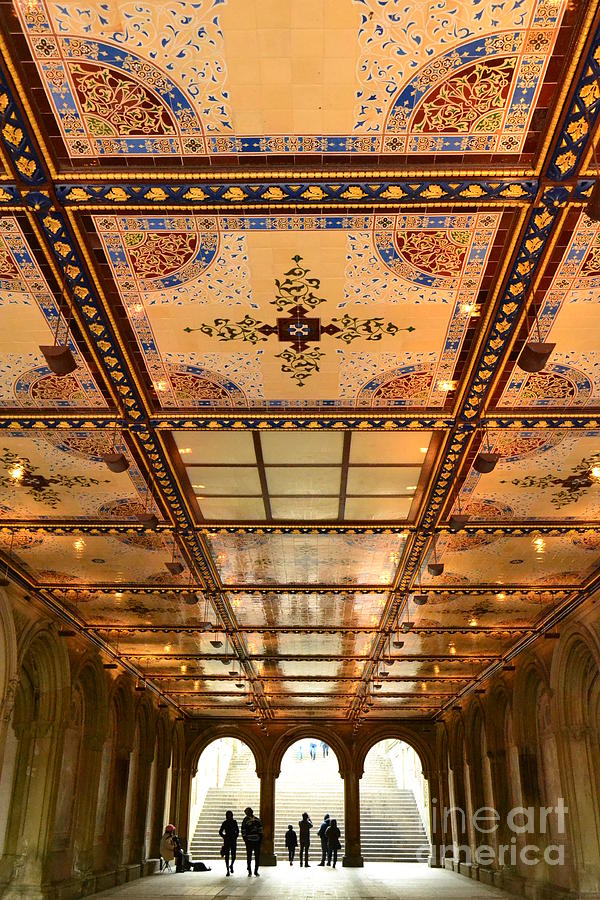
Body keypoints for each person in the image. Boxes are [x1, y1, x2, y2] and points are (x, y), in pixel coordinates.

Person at [241, 806, 263, 877]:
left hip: (251, 841)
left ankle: (252, 871)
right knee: (255, 856)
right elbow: (260, 831)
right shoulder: (257, 820)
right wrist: (260, 839)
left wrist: (245, 839)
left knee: (250, 856)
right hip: (254, 840)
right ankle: (253, 871)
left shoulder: (246, 821)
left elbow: (243, 831)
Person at [219, 809, 239, 877]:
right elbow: (220, 831)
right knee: (227, 856)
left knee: (233, 856)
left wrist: (235, 836)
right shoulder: (225, 823)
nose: (229, 816)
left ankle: (231, 865)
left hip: (232, 840)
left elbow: (237, 830)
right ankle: (227, 869)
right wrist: (224, 836)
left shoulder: (234, 822)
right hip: (228, 840)